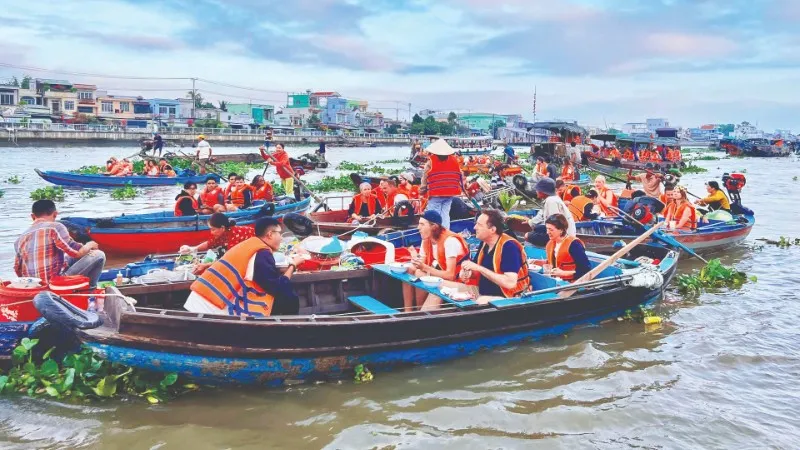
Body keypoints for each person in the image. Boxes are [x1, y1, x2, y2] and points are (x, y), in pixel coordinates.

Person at [185, 217, 302, 316]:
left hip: (201, 300)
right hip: (209, 308)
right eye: (279, 233)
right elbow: (278, 287)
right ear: (270, 234)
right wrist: (293, 265)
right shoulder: (262, 253)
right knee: (289, 298)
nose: (281, 238)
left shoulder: (250, 244)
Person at [440, 209, 529, 304]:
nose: (475, 227)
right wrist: (468, 273)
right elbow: (476, 271)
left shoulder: (509, 247)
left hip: (508, 297)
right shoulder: (484, 243)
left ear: (492, 230)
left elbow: (510, 283)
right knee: (439, 284)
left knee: (481, 301)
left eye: (479, 225)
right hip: (481, 291)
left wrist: (479, 268)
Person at [14, 200, 106, 288]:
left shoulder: (19, 239)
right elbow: (78, 253)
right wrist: (90, 244)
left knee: (67, 256)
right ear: (55, 214)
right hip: (54, 284)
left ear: (33, 216)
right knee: (99, 255)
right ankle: (91, 289)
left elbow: (18, 270)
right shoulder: (55, 227)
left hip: (33, 286)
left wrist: (84, 248)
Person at [402, 211, 470, 311]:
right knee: (413, 270)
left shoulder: (450, 241)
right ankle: (409, 310)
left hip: (460, 282)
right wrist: (416, 259)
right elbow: (422, 262)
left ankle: (422, 312)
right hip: (444, 276)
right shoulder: (426, 239)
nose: (418, 227)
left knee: (424, 276)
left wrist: (424, 267)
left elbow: (450, 275)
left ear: (434, 227)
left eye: (422, 224)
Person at [179, 213, 256, 274]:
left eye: (213, 229)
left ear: (222, 228)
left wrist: (206, 265)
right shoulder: (223, 232)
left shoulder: (234, 235)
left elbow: (229, 261)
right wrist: (192, 249)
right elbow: (210, 244)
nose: (211, 232)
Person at [421, 139, 462, 229]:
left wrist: (421, 192)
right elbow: (460, 175)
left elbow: (424, 179)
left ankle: (434, 234)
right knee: (445, 215)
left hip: (436, 194)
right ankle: (445, 232)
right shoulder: (454, 160)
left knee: (433, 217)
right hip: (450, 193)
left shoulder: (430, 162)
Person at [525, 177, 576, 247]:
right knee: (536, 229)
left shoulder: (551, 201)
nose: (536, 191)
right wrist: (530, 222)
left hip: (563, 236)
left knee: (527, 235)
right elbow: (540, 216)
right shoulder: (552, 199)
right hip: (561, 232)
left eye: (537, 190)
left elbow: (555, 224)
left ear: (542, 192)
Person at [541, 213, 591, 282]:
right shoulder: (550, 243)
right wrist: (534, 262)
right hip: (556, 281)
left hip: (572, 284)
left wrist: (563, 273)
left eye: (551, 230)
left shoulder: (574, 244)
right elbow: (551, 262)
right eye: (547, 229)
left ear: (561, 230)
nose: (547, 232)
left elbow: (586, 270)